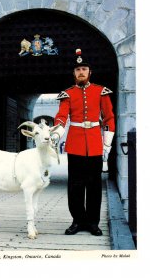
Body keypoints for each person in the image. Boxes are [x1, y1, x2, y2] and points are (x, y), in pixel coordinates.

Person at [51, 48, 115, 236]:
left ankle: (93, 223)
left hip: (95, 144)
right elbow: (62, 117)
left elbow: (109, 118)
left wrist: (106, 144)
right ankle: (78, 221)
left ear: (89, 72)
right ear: (74, 73)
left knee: (94, 186)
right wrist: (56, 133)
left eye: (84, 69)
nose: (81, 72)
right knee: (75, 186)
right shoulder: (68, 94)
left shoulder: (100, 91)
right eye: (78, 70)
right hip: (76, 144)